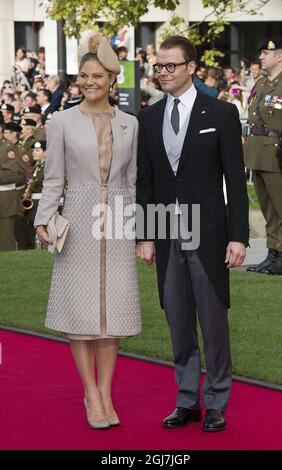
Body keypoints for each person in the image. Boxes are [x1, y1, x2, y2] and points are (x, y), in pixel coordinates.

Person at [136, 35, 248, 432]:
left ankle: (216, 401)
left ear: (191, 68)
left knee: (213, 322)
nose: (163, 72)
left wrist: (239, 236)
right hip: (166, 234)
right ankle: (187, 400)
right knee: (179, 322)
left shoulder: (220, 113)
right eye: (159, 66)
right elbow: (146, 182)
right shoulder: (147, 119)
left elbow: (236, 180)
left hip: (210, 233)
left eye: (171, 66)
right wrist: (145, 235)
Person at [34, 32, 141, 429]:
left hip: (118, 217)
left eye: (97, 75)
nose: (90, 82)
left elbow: (131, 182)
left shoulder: (131, 123)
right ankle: (90, 394)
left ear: (112, 79)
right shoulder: (60, 120)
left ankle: (107, 393)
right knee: (79, 309)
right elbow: (53, 178)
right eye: (83, 75)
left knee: (113, 312)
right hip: (77, 215)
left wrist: (137, 231)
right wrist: (44, 219)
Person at [245, 38, 282, 275]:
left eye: (265, 53)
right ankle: (272, 253)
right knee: (269, 210)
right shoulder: (263, 84)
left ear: (281, 56)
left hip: (278, 156)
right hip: (259, 155)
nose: (261, 57)